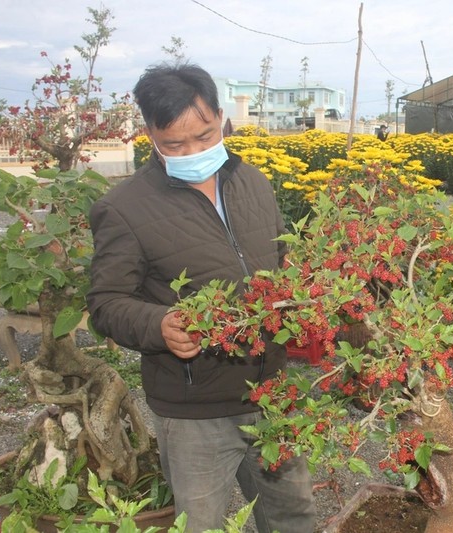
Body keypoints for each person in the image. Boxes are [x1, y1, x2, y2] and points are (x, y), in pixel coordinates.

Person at [86, 64, 316, 533]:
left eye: (205, 136)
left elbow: (282, 262)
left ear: (220, 118)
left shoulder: (252, 182)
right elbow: (106, 301)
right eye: (175, 144)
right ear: (149, 133)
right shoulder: (124, 208)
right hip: (195, 410)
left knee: (293, 514)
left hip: (272, 393)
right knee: (200, 524)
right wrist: (159, 326)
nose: (193, 151)